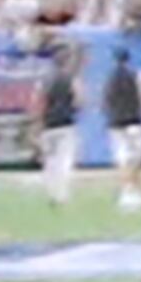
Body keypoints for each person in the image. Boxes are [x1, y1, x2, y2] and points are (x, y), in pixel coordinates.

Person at [103, 49, 141, 212]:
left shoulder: (109, 79)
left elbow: (105, 100)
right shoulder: (138, 75)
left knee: (122, 157)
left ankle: (126, 191)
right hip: (134, 120)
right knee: (137, 157)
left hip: (116, 122)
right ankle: (136, 189)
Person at [35, 51, 80, 206]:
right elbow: (80, 100)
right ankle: (63, 194)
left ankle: (51, 192)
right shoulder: (71, 80)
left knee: (50, 160)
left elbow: (39, 102)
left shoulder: (44, 81)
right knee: (65, 160)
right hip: (66, 123)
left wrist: (38, 123)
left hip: (49, 124)